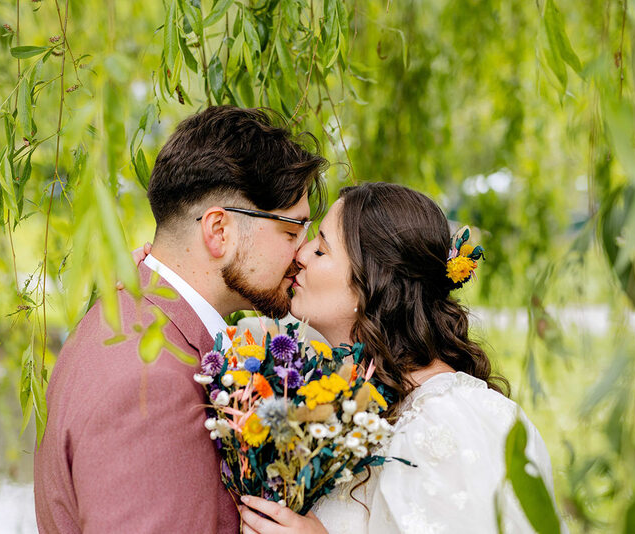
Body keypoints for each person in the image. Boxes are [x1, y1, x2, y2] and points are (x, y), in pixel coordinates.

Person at [33, 106, 327, 533]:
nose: (302, 253)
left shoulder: (128, 320)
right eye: (291, 230)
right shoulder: (152, 386)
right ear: (219, 231)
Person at [237, 183, 567, 533]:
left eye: (321, 250)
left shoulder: (448, 422)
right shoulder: (361, 406)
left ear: (373, 283)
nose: (300, 254)